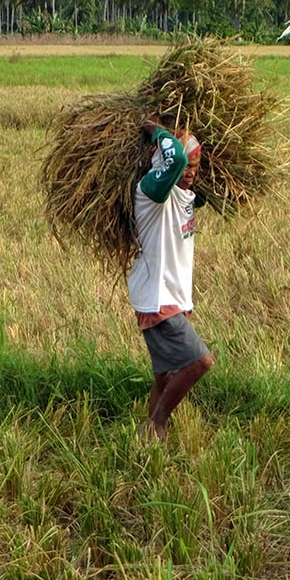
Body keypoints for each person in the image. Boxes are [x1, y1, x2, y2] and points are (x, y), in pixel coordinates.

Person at [128, 121, 213, 439]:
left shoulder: (186, 195)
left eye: (196, 166)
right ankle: (158, 422)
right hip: (156, 297)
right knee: (200, 362)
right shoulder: (152, 192)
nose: (190, 171)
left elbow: (215, 185)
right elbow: (175, 158)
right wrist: (154, 129)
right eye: (186, 165)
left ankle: (148, 441)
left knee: (164, 377)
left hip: (175, 296)